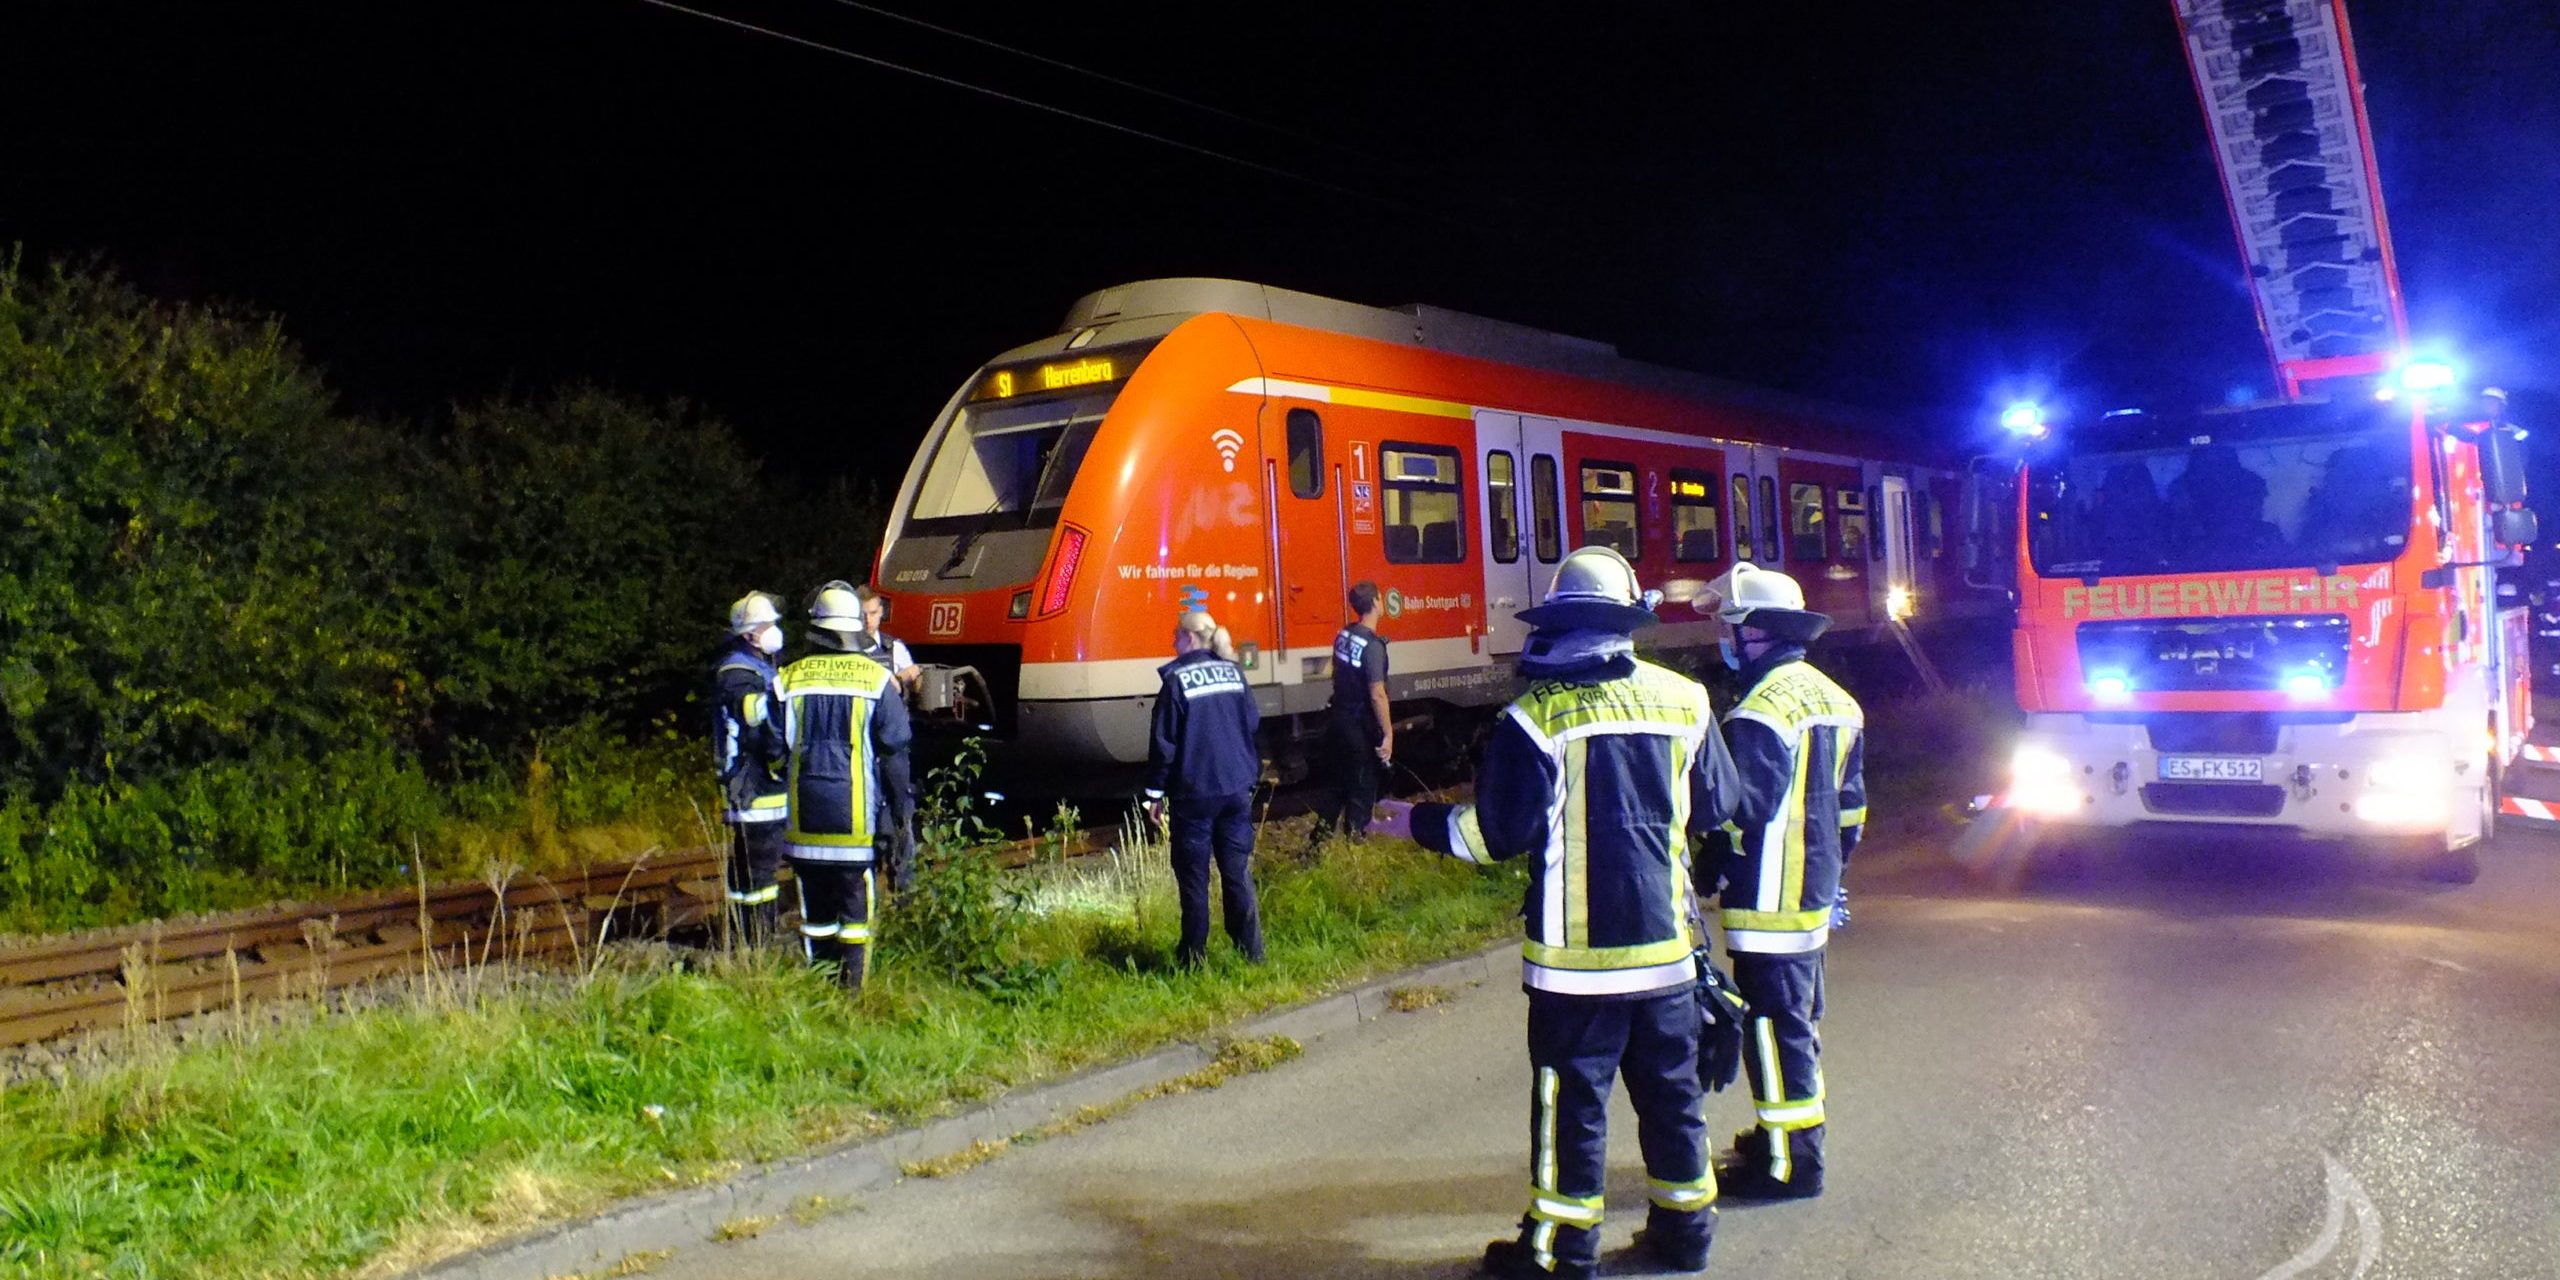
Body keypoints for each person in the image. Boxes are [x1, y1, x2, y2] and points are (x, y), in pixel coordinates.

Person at [1395, 546, 1741, 1280]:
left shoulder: (1533, 718)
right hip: (1668, 955)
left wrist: (1413, 824)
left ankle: (1560, 1252)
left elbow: (1494, 836)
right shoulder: (1686, 701)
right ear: (1628, 622)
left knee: (1570, 1106)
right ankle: (1687, 1236)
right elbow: (1718, 804)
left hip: (1575, 969)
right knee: (1672, 1099)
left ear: (1556, 626)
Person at [1702, 561, 1865, 1201]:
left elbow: (1742, 810)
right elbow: (1851, 810)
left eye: (1730, 626)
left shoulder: (1757, 712)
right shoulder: (1837, 700)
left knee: (1772, 1029)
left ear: (1757, 634)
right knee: (1798, 1025)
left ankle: (1790, 1165)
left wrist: (1710, 863)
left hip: (1767, 902)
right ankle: (1789, 1136)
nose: (1723, 639)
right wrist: (1831, 874)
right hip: (1814, 896)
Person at [775, 580, 913, 991]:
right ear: (854, 628)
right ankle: (851, 998)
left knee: (815, 918)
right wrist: (900, 815)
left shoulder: (788, 680)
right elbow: (894, 755)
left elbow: (771, 749)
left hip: (802, 827)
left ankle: (818, 991)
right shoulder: (876, 681)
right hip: (855, 829)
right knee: (855, 920)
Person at [1141, 610, 1266, 967]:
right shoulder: (1233, 673)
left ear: (1190, 637)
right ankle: (1252, 953)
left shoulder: (1177, 680)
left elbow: (1164, 743)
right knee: (1237, 872)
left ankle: (1194, 959)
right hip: (1236, 789)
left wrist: (1154, 795)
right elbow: (1252, 722)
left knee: (1194, 879)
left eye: (1175, 635)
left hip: (1195, 795)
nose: (1172, 642)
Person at [712, 591, 790, 945]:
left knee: (747, 868)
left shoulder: (758, 667)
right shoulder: (739, 675)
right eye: (768, 625)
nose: (774, 630)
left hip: (754, 782)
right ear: (749, 634)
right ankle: (758, 939)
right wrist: (782, 760)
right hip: (754, 785)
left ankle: (743, 937)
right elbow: (760, 727)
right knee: (759, 869)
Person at [853, 585, 922, 891]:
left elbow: (916, 680)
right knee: (867, 811)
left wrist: (908, 676)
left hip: (893, 748)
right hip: (862, 747)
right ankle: (868, 876)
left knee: (901, 810)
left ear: (881, 613)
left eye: (873, 613)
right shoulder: (849, 653)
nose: (869, 620)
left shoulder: (894, 648)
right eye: (863, 614)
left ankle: (904, 881)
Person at [1313, 581, 1391, 838]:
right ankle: (1355, 848)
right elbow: (1377, 693)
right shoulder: (1373, 646)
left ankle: (1317, 846)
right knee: (1361, 788)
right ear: (1376, 602)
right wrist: (1388, 734)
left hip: (1338, 720)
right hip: (1358, 728)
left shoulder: (1344, 635)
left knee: (1335, 786)